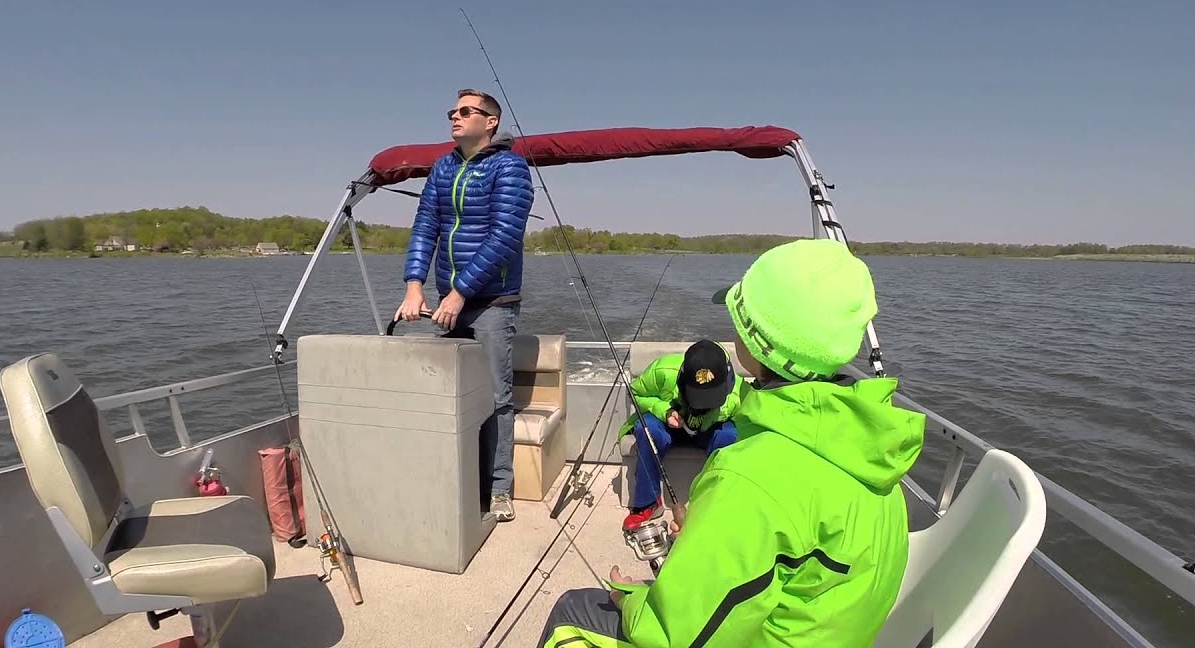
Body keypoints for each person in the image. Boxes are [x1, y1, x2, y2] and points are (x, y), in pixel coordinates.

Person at [536, 238, 927, 647]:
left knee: (572, 611)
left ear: (756, 344)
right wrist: (712, 530)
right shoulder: (880, 462)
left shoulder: (746, 478)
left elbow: (673, 636)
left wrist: (631, 599)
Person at [394, 88, 534, 523]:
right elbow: (425, 227)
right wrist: (414, 286)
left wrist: (460, 293)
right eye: (452, 111)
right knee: (448, 393)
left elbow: (504, 237)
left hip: (492, 300)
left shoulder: (510, 167)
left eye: (466, 111)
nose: (455, 117)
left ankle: (499, 488)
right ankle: (454, 477)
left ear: (491, 122)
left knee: (495, 397)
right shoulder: (443, 167)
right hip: (447, 300)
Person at [619, 339, 744, 532]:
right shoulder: (662, 371)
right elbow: (635, 393)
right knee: (648, 428)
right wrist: (664, 411)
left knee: (728, 435)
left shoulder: (740, 393)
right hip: (671, 425)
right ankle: (647, 503)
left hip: (707, 431)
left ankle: (718, 500)